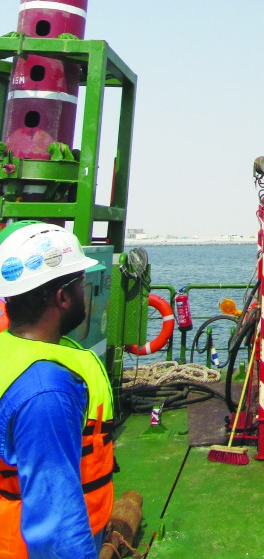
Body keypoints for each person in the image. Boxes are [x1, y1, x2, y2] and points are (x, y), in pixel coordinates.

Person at [0, 221, 115, 559]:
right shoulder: (46, 391)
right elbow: (57, 523)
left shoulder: (12, 351)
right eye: (81, 282)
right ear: (63, 296)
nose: (85, 290)